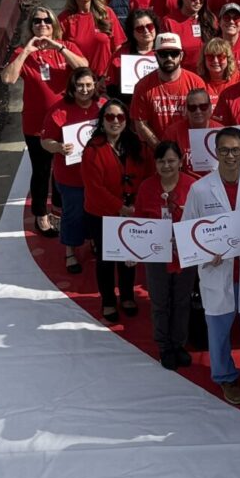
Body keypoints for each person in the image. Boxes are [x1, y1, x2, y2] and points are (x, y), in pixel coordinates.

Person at [183, 126, 240, 405]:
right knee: (219, 331)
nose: (230, 155)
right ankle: (224, 377)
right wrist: (204, 250)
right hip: (217, 271)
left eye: (236, 150)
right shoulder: (199, 189)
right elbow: (189, 230)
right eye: (224, 150)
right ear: (216, 152)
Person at [2, 6, 86, 236]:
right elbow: (8, 78)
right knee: (41, 171)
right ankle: (41, 214)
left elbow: (84, 68)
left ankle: (59, 211)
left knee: (64, 169)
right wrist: (26, 50)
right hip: (36, 124)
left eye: (47, 21)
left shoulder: (66, 47)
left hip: (65, 123)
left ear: (54, 25)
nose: (42, 25)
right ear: (31, 26)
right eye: (37, 22)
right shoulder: (24, 52)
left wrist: (58, 46)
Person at [80, 97, 151, 322]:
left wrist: (135, 204)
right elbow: (95, 187)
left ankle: (127, 295)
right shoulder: (93, 149)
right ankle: (108, 300)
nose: (115, 121)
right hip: (102, 214)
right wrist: (121, 207)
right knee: (105, 259)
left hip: (131, 209)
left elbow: (147, 176)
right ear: (102, 121)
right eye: (110, 116)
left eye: (120, 116)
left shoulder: (137, 145)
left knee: (128, 256)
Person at [130, 140, 197, 368]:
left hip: (185, 254)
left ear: (180, 161)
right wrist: (133, 250)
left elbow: (200, 220)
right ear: (155, 164)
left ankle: (179, 344)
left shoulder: (193, 186)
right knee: (159, 301)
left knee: (182, 300)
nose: (166, 166)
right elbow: (137, 222)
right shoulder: (147, 187)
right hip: (156, 255)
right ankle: (164, 346)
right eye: (161, 161)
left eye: (171, 160)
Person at [41, 67, 105, 274]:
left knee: (98, 212)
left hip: (100, 174)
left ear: (95, 85)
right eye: (80, 85)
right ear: (72, 87)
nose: (85, 89)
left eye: (89, 84)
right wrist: (58, 147)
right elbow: (45, 141)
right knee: (73, 214)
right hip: (71, 176)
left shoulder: (103, 106)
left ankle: (95, 241)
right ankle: (70, 250)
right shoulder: (59, 110)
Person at [131, 32, 207, 146]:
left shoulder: (196, 82)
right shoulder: (143, 86)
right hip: (157, 155)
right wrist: (162, 151)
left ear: (181, 55)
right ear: (156, 56)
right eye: (163, 54)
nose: (169, 58)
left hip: (191, 149)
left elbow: (204, 118)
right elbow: (140, 124)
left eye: (174, 53)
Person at [59, 0, 120, 79]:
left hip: (105, 80)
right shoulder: (64, 19)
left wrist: (110, 73)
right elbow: (58, 51)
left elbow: (118, 48)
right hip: (78, 82)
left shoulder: (107, 13)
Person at [153, 0, 213, 70]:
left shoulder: (210, 19)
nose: (197, 2)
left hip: (207, 73)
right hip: (182, 74)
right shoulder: (169, 21)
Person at [118, 8, 160, 88]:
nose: (146, 31)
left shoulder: (164, 51)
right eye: (140, 28)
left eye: (150, 26)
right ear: (132, 32)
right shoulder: (122, 53)